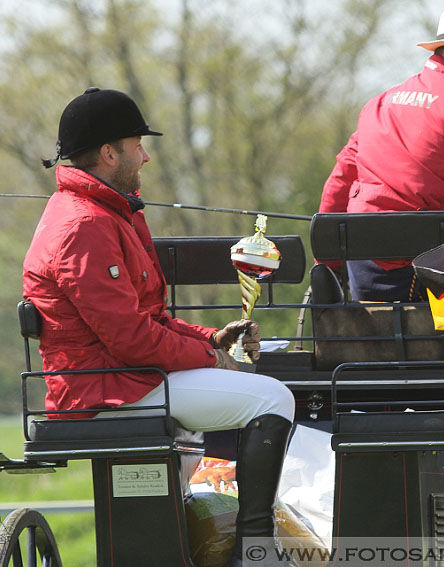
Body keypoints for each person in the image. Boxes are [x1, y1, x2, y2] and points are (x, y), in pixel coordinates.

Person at [26, 87, 292, 567]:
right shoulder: (84, 226)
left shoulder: (110, 212)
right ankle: (256, 550)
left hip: (118, 376)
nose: (145, 157)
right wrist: (209, 358)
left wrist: (209, 338)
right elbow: (130, 339)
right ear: (109, 153)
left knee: (255, 389)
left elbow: (147, 321)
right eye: (137, 146)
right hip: (104, 388)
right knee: (275, 399)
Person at [318, 3, 444, 302]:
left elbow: (339, 185)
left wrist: (329, 266)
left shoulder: (379, 104)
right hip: (438, 282)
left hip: (364, 275)